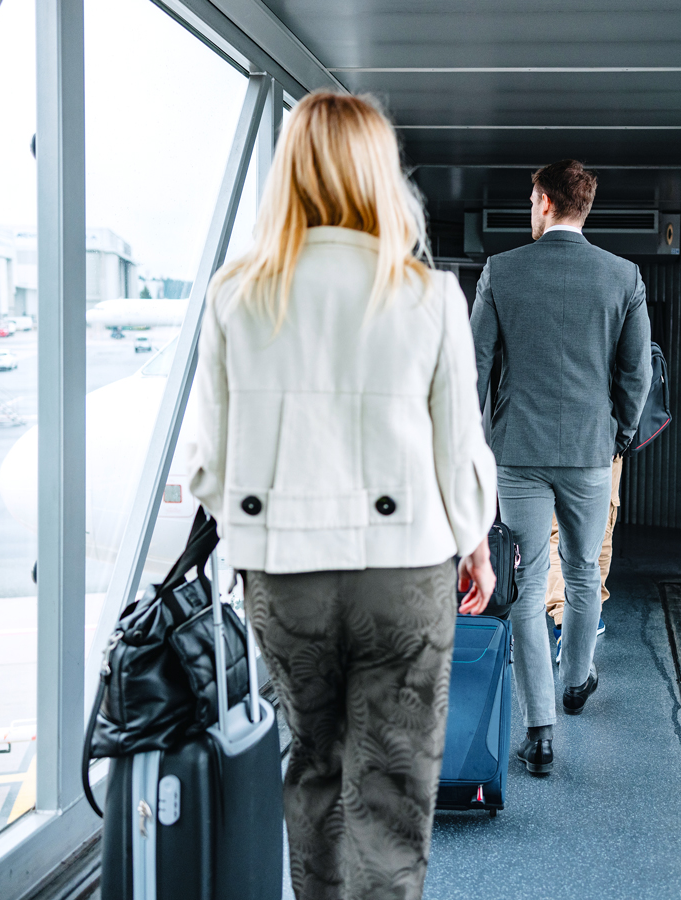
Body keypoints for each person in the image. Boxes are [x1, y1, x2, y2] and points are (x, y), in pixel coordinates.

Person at [187, 91, 497, 900]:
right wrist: (474, 542)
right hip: (403, 572)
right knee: (391, 790)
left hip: (283, 574)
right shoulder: (426, 295)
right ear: (378, 173)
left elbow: (209, 466)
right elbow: (459, 451)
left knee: (314, 765)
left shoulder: (235, 294)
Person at [471, 159, 651, 776]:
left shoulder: (502, 271)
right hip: (589, 453)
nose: (529, 209)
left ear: (545, 203)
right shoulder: (623, 277)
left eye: (530, 199)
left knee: (525, 582)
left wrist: (476, 440)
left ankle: (539, 730)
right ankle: (576, 681)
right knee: (580, 571)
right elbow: (636, 374)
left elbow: (476, 365)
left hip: (518, 453)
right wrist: (618, 434)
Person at [545, 455, 623, 663]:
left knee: (558, 534)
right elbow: (630, 420)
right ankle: (588, 616)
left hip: (549, 447)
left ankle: (565, 624)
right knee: (600, 530)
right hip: (601, 445)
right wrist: (621, 437)